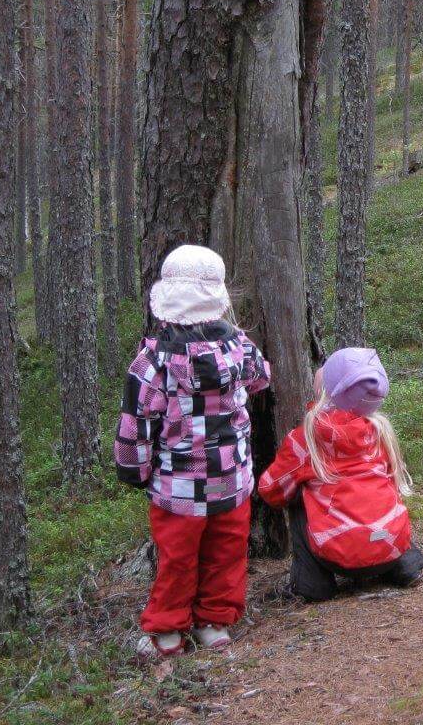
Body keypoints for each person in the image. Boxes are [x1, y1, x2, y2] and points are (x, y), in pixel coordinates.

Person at [115, 244, 271, 659]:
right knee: (226, 554)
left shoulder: (152, 363)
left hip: (179, 487)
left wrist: (133, 471)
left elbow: (135, 426)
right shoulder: (240, 348)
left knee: (177, 559)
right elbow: (261, 379)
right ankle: (214, 622)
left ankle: (167, 631)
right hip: (233, 481)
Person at [259, 347, 423, 602]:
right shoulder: (380, 431)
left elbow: (271, 491)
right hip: (390, 544)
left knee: (298, 495)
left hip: (339, 555)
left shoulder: (308, 438)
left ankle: (312, 583)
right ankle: (404, 564)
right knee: (378, 488)